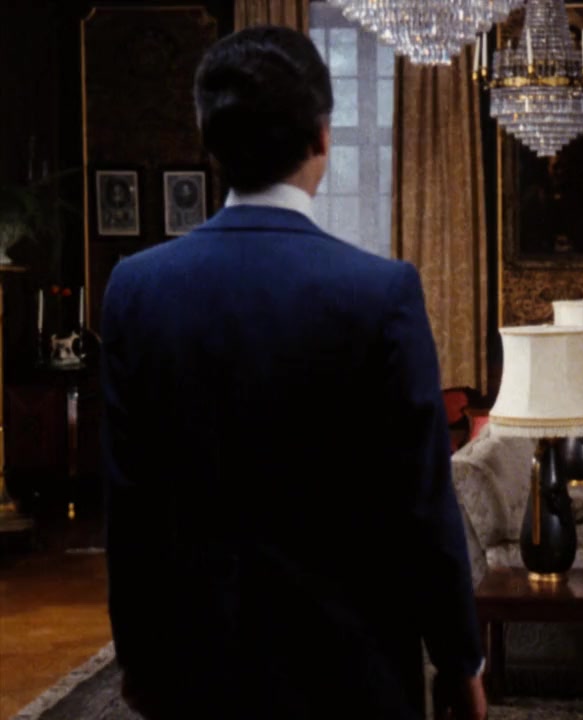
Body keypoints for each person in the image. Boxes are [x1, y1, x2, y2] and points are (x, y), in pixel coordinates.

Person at [99, 26, 486, 720]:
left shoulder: (136, 289)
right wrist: (459, 662)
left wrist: (138, 655)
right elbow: (424, 506)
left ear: (209, 140)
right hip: (354, 674)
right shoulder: (381, 294)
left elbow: (131, 508)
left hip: (196, 674)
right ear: (322, 137)